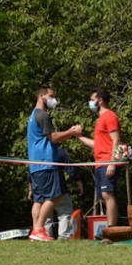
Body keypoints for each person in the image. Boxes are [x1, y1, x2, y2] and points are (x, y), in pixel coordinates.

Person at [27, 85, 83, 242]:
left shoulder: (33, 115)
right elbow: (54, 137)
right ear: (42, 96)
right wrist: (72, 132)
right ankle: (38, 229)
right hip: (45, 163)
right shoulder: (42, 115)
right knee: (56, 196)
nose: (54, 99)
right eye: (51, 96)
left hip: (36, 165)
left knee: (39, 200)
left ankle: (34, 232)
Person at [78, 88, 122, 228]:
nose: (90, 103)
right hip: (99, 163)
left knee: (107, 194)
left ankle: (111, 229)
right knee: (104, 195)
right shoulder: (100, 119)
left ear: (100, 101)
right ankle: (108, 229)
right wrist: (78, 136)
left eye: (92, 99)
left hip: (108, 162)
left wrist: (112, 163)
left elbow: (116, 140)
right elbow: (97, 145)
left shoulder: (109, 116)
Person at [28, 145, 84, 240]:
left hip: (41, 190)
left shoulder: (35, 154)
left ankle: (44, 236)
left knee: (46, 216)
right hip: (59, 189)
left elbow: (30, 173)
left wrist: (30, 189)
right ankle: (64, 236)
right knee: (64, 212)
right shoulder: (59, 151)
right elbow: (70, 169)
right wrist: (78, 182)